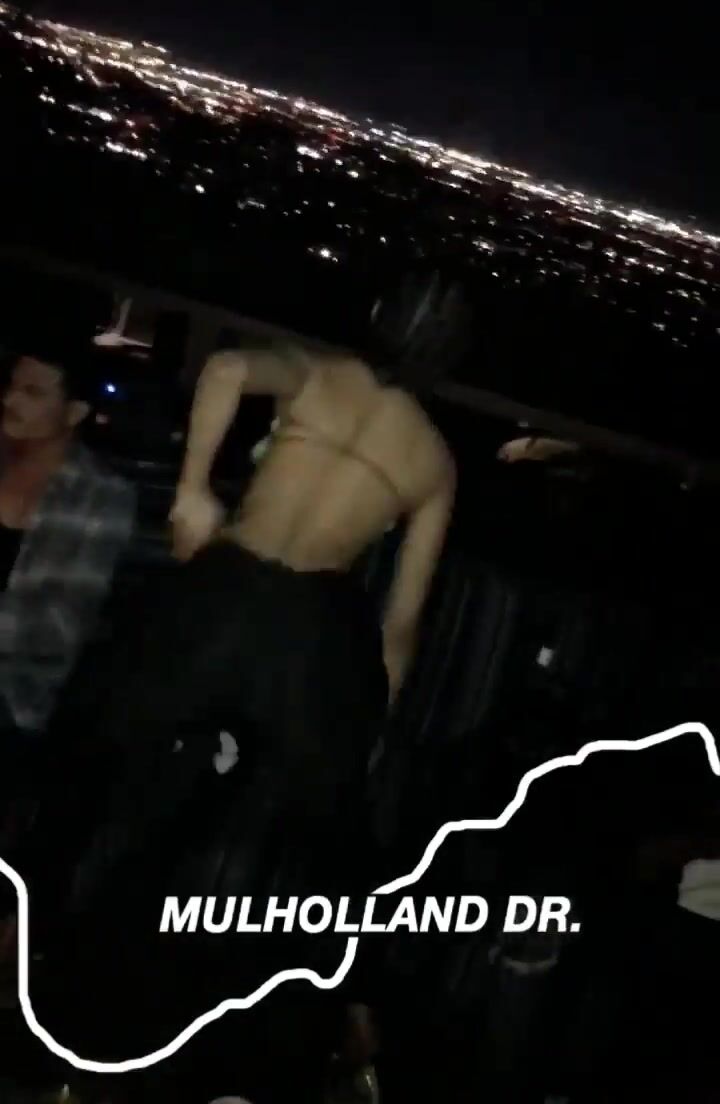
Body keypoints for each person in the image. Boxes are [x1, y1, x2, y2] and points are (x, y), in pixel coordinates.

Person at [42, 265, 471, 1098]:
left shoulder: (320, 373)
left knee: (103, 763)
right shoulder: (434, 460)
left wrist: (193, 492)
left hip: (224, 594)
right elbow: (402, 619)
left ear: (379, 313)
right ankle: (336, 1017)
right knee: (319, 841)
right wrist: (369, 729)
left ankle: (49, 973)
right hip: (304, 635)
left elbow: (228, 367)